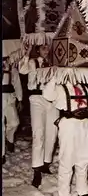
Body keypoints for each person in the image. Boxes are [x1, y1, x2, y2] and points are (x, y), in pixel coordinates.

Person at [42, 76, 88, 196]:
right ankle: (64, 194)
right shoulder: (59, 88)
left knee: (84, 158)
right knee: (67, 158)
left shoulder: (84, 88)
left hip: (84, 125)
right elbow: (47, 95)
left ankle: (82, 190)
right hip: (68, 125)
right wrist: (54, 78)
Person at [18, 43, 59, 187]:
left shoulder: (54, 64)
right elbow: (22, 70)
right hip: (37, 99)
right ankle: (36, 168)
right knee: (38, 133)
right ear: (38, 49)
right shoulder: (31, 62)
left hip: (52, 100)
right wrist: (27, 53)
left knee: (52, 133)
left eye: (48, 48)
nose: (46, 51)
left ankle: (46, 163)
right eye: (43, 48)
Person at [2, 57, 23, 163]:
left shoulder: (12, 68)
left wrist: (20, 99)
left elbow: (17, 83)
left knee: (14, 122)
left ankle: (9, 139)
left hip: (9, 98)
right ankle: (2, 154)